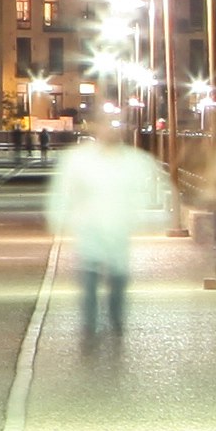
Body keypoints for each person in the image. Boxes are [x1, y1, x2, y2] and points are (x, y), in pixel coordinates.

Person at [47, 123, 172, 339]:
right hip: (90, 226)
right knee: (89, 279)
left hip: (117, 228)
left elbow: (150, 188)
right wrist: (61, 218)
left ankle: (115, 320)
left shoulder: (134, 161)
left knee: (117, 278)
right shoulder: (81, 160)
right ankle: (90, 324)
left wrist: (145, 218)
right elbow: (64, 191)